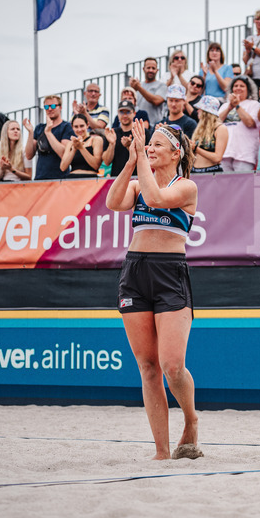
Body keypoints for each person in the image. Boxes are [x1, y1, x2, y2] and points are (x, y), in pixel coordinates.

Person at [105, 124, 202, 461]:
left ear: (176, 153)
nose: (151, 149)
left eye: (158, 145)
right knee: (148, 367)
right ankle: (161, 451)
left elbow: (158, 199)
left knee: (172, 365)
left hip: (170, 272)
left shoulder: (186, 186)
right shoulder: (138, 182)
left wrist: (142, 159)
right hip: (135, 271)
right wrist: (131, 161)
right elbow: (113, 202)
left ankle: (190, 419)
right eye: (150, 145)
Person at [26, 94, 73, 180]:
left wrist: (48, 132)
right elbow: (29, 155)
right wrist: (30, 133)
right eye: (46, 107)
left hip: (60, 178)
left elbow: (64, 154)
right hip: (40, 178)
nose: (50, 109)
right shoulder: (39, 128)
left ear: (60, 107)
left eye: (53, 106)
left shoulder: (66, 127)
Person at [218, 77, 260, 172]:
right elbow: (215, 123)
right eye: (236, 86)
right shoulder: (224, 106)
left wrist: (237, 106)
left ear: (248, 90)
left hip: (245, 155)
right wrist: (229, 108)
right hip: (224, 153)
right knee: (225, 181)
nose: (238, 88)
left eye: (242, 86)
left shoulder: (254, 104)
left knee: (243, 181)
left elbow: (250, 123)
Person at [103, 100, 152, 178]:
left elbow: (146, 159)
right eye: (122, 112)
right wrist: (112, 144)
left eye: (128, 112)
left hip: (137, 178)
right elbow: (107, 161)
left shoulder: (142, 132)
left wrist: (129, 146)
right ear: (118, 114)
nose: (125, 115)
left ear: (134, 113)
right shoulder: (112, 133)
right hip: (117, 178)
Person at [189, 97, 228, 174]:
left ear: (206, 112)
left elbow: (217, 158)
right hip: (194, 171)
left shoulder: (220, 128)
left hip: (211, 172)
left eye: (200, 109)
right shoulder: (200, 128)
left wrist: (196, 149)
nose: (197, 111)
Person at [59, 113, 105, 178]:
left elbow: (96, 165)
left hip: (90, 178)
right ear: (72, 127)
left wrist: (81, 148)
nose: (79, 129)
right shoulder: (70, 144)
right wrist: (74, 149)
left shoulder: (96, 140)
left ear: (87, 125)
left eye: (82, 126)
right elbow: (63, 167)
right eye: (76, 127)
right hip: (72, 178)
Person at [130, 57, 170, 124]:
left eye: (153, 68)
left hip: (155, 125)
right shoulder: (138, 85)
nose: (151, 70)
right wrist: (132, 88)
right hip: (139, 125)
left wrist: (139, 88)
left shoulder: (162, 86)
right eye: (148, 68)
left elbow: (156, 101)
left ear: (157, 70)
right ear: (143, 69)